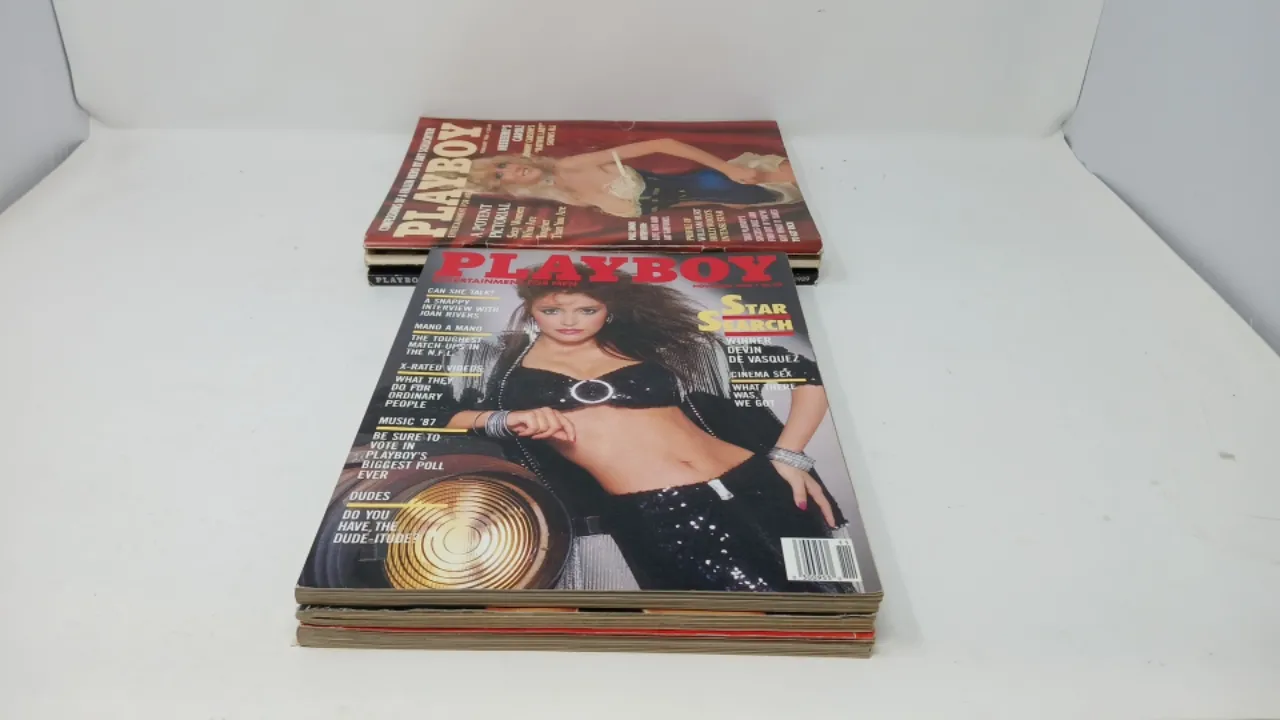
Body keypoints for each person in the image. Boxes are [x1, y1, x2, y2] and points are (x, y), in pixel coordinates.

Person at [444, 263, 854, 594]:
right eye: (552, 310)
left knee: (820, 601)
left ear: (608, 309)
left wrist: (788, 455)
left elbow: (803, 372)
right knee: (731, 624)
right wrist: (501, 419)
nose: (569, 321)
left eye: (587, 310)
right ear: (530, 307)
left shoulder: (654, 348)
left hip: (756, 482)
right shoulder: (495, 363)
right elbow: (430, 415)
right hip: (662, 509)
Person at [464, 138, 804, 218]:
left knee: (811, 183)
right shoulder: (570, 197)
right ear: (509, 188)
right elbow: (676, 202)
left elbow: (663, 144)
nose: (510, 170)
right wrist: (726, 204)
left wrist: (729, 169)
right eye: (500, 176)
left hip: (747, 178)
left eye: (503, 163)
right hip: (744, 199)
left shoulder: (571, 165)